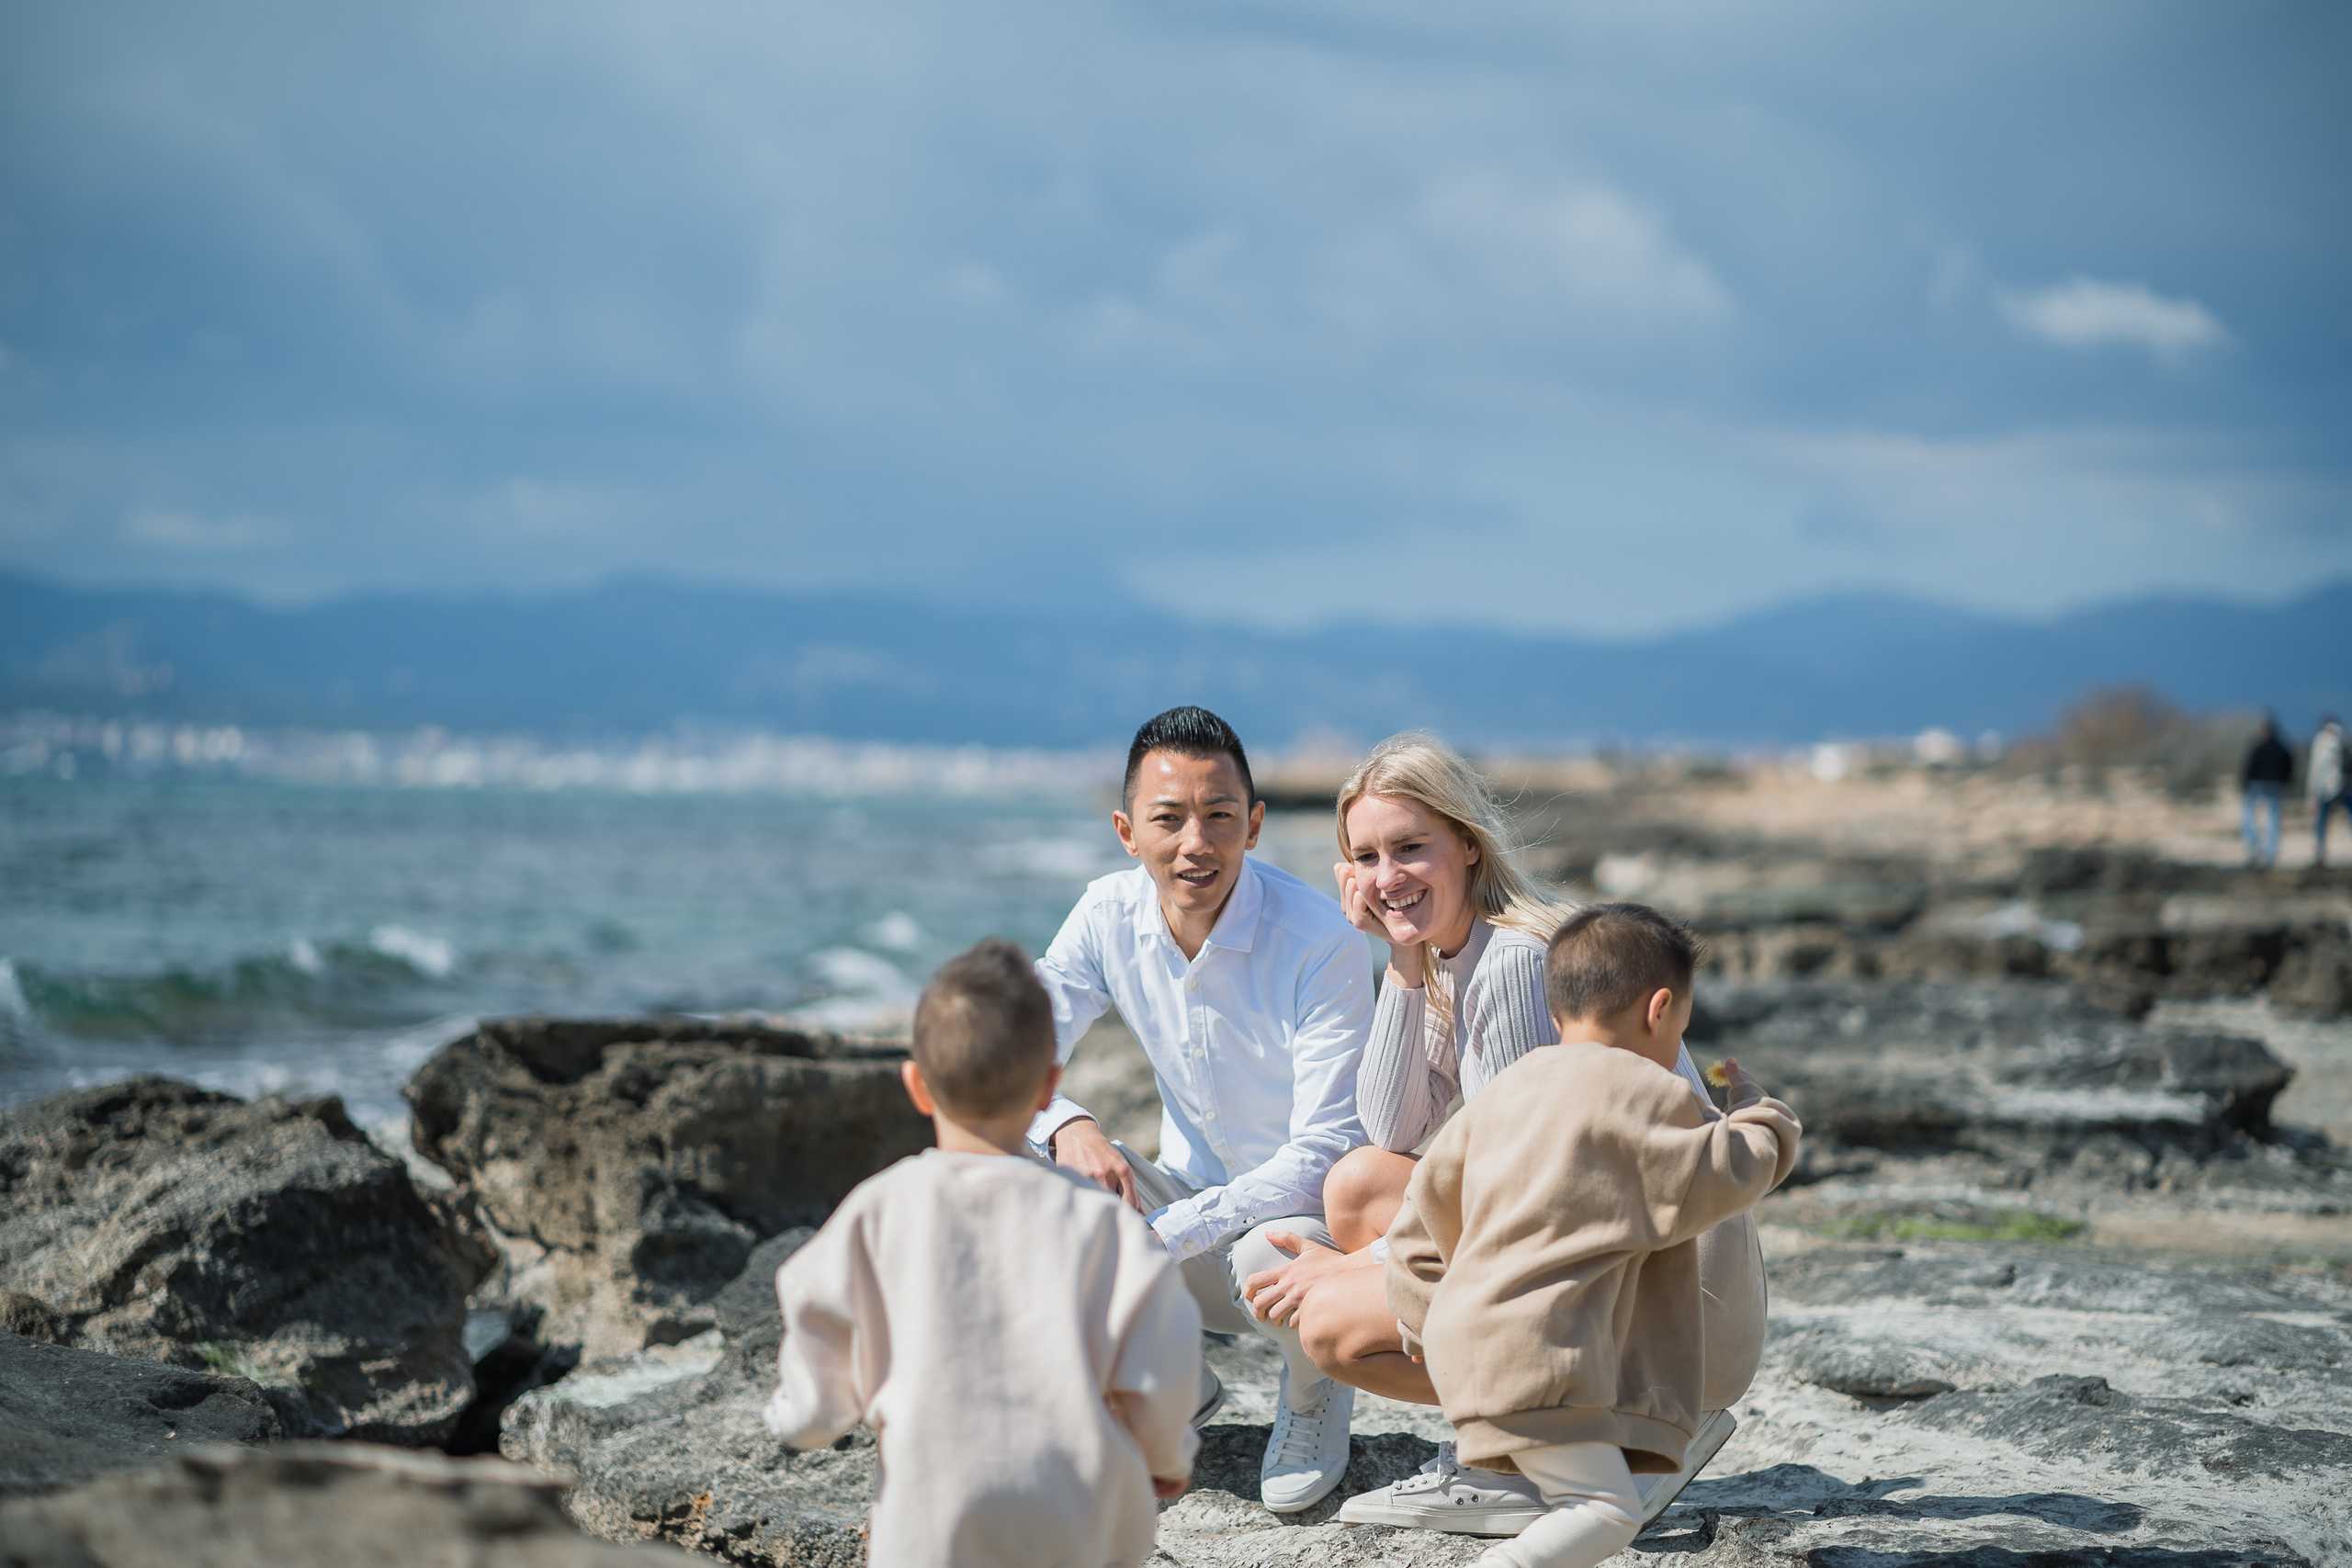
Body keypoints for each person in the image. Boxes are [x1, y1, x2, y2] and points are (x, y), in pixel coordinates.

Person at [1237, 735, 1769, 1536]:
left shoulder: (1518, 962)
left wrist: (1352, 1269)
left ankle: (1570, 1453)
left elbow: (1526, 1200)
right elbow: (1393, 1128)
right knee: (1357, 1183)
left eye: (1411, 847)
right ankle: (1525, 1447)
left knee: (1330, 1330)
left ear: (1468, 844)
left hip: (1682, 1312)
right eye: (1367, 856)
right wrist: (1402, 959)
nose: (1388, 877)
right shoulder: (1455, 953)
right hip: (1629, 1265)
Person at [1031, 705, 1377, 1513]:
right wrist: (1066, 1122)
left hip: (1297, 1246)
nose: (1197, 841)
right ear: (1126, 830)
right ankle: (1172, 1378)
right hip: (1182, 1238)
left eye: (1220, 815)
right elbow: (1003, 1056)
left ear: (1254, 825)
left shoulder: (1320, 938)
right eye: (1169, 817)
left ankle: (1314, 1389)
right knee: (1026, 1166)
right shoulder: (1105, 914)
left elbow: (1329, 1148)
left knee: (1268, 1246)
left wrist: (1167, 1232)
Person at [1386, 905, 1801, 1568]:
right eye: (1681, 1028)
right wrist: (1758, 1112)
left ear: (1556, 1014)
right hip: (1546, 1356)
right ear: (1660, 1009)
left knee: (1574, 1491)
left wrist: (1429, 1324)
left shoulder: (1498, 1095)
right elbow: (1727, 1171)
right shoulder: (1646, 1088)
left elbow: (1414, 1227)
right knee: (1607, 1511)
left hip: (1470, 1351)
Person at [765, 939, 1202, 1568]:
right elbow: (1163, 1352)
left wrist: (801, 1416)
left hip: (932, 1509)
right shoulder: (1098, 1220)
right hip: (1076, 1506)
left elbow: (813, 1313)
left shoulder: (878, 1208)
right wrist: (1166, 1453)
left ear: (916, 1083)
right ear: (1051, 1085)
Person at [2243, 716, 2294, 867]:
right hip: (2276, 784)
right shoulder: (2282, 747)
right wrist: (2286, 780)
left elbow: (2251, 767)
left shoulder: (2259, 747)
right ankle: (2270, 851)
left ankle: (2254, 844)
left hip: (2258, 784)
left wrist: (2245, 782)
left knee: (2249, 812)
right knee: (2273, 816)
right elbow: (2289, 765)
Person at [2312, 716, 2346, 868]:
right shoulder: (2343, 739)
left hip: (2327, 787)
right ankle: (2321, 850)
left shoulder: (2322, 741)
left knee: (2322, 818)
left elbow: (2316, 768)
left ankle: (2321, 850)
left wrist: (2312, 790)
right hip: (2344, 786)